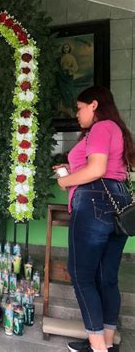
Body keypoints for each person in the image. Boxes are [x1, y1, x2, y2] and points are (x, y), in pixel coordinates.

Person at [53, 86, 134, 352]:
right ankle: (106, 343)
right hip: (116, 200)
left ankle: (98, 349)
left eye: (79, 107)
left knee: (82, 275)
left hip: (94, 202)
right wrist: (71, 169)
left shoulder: (100, 128)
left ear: (94, 105)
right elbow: (106, 169)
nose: (77, 113)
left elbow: (97, 169)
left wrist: (65, 180)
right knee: (106, 277)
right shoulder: (115, 129)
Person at [56, 43, 79, 118]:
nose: (66, 49)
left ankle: (71, 110)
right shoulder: (60, 58)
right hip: (61, 77)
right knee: (63, 92)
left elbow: (75, 68)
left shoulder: (71, 57)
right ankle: (64, 110)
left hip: (68, 77)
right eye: (64, 48)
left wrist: (68, 68)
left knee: (69, 92)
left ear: (69, 49)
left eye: (67, 47)